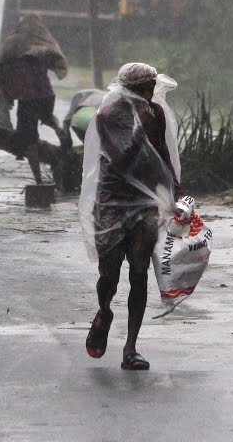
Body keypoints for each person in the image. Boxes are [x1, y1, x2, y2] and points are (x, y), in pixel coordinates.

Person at [79, 62, 182, 371]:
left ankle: (131, 347)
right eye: (143, 90)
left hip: (145, 204)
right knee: (109, 274)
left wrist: (177, 193)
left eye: (152, 89)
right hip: (113, 201)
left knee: (139, 273)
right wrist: (138, 129)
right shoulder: (108, 116)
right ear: (128, 92)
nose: (149, 95)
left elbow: (163, 155)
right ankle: (105, 310)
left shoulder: (156, 114)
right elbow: (121, 159)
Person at [0, 14, 68, 184]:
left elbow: (1, 65)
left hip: (28, 99)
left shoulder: (14, 48)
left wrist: (7, 95)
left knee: (29, 142)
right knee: (47, 117)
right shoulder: (41, 49)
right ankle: (58, 129)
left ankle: (39, 182)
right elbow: (54, 54)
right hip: (47, 96)